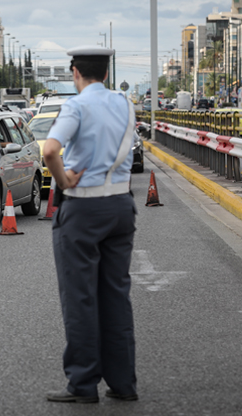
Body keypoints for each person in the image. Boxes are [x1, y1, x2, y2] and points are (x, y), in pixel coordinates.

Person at [42, 46, 138, 404]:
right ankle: (124, 383)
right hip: (121, 206)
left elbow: (50, 150)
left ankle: (82, 385)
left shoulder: (77, 106)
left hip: (83, 210)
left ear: (74, 72)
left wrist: (63, 180)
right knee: (116, 295)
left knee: (80, 298)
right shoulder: (126, 104)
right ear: (108, 74)